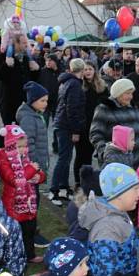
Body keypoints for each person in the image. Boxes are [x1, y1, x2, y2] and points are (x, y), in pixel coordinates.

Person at [0, 124, 46, 263]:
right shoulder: (4, 158)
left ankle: (30, 255)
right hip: (13, 203)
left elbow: (37, 172)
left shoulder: (25, 158)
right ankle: (13, 257)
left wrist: (39, 177)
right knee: (15, 233)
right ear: (10, 145)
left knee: (30, 230)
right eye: (19, 147)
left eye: (24, 146)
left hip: (29, 202)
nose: (23, 150)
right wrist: (31, 170)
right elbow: (14, 180)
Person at [50, 58, 86, 205]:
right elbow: (72, 109)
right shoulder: (75, 84)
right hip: (66, 126)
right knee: (64, 159)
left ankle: (63, 187)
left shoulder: (66, 82)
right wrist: (75, 130)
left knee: (66, 158)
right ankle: (54, 190)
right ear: (82, 70)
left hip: (61, 123)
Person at [90, 78, 139, 165]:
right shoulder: (105, 109)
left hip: (137, 161)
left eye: (131, 93)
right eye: (127, 93)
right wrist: (105, 152)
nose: (131, 97)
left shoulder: (134, 109)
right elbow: (95, 134)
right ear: (118, 93)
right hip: (115, 163)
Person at [0, 34, 40, 124]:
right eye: (24, 43)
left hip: (23, 102)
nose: (27, 45)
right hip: (8, 102)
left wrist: (36, 70)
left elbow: (32, 80)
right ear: (16, 44)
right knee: (7, 132)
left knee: (22, 131)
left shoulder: (26, 59)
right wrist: (6, 65)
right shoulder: (2, 57)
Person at [75, 62, 108, 188]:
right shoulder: (79, 85)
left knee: (89, 155)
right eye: (85, 69)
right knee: (80, 155)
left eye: (90, 69)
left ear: (95, 70)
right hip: (83, 125)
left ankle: (87, 181)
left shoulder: (102, 86)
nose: (88, 72)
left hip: (97, 125)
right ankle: (78, 181)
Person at [17, 82, 50, 181]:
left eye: (46, 101)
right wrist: (36, 163)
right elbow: (27, 143)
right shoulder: (28, 118)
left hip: (36, 165)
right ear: (32, 101)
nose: (46, 104)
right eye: (42, 101)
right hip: (32, 166)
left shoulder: (36, 115)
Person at [38, 54, 61, 125]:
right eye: (46, 60)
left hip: (57, 102)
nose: (48, 62)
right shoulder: (42, 71)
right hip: (44, 101)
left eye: (50, 60)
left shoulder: (61, 72)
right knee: (43, 123)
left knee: (57, 124)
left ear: (55, 61)